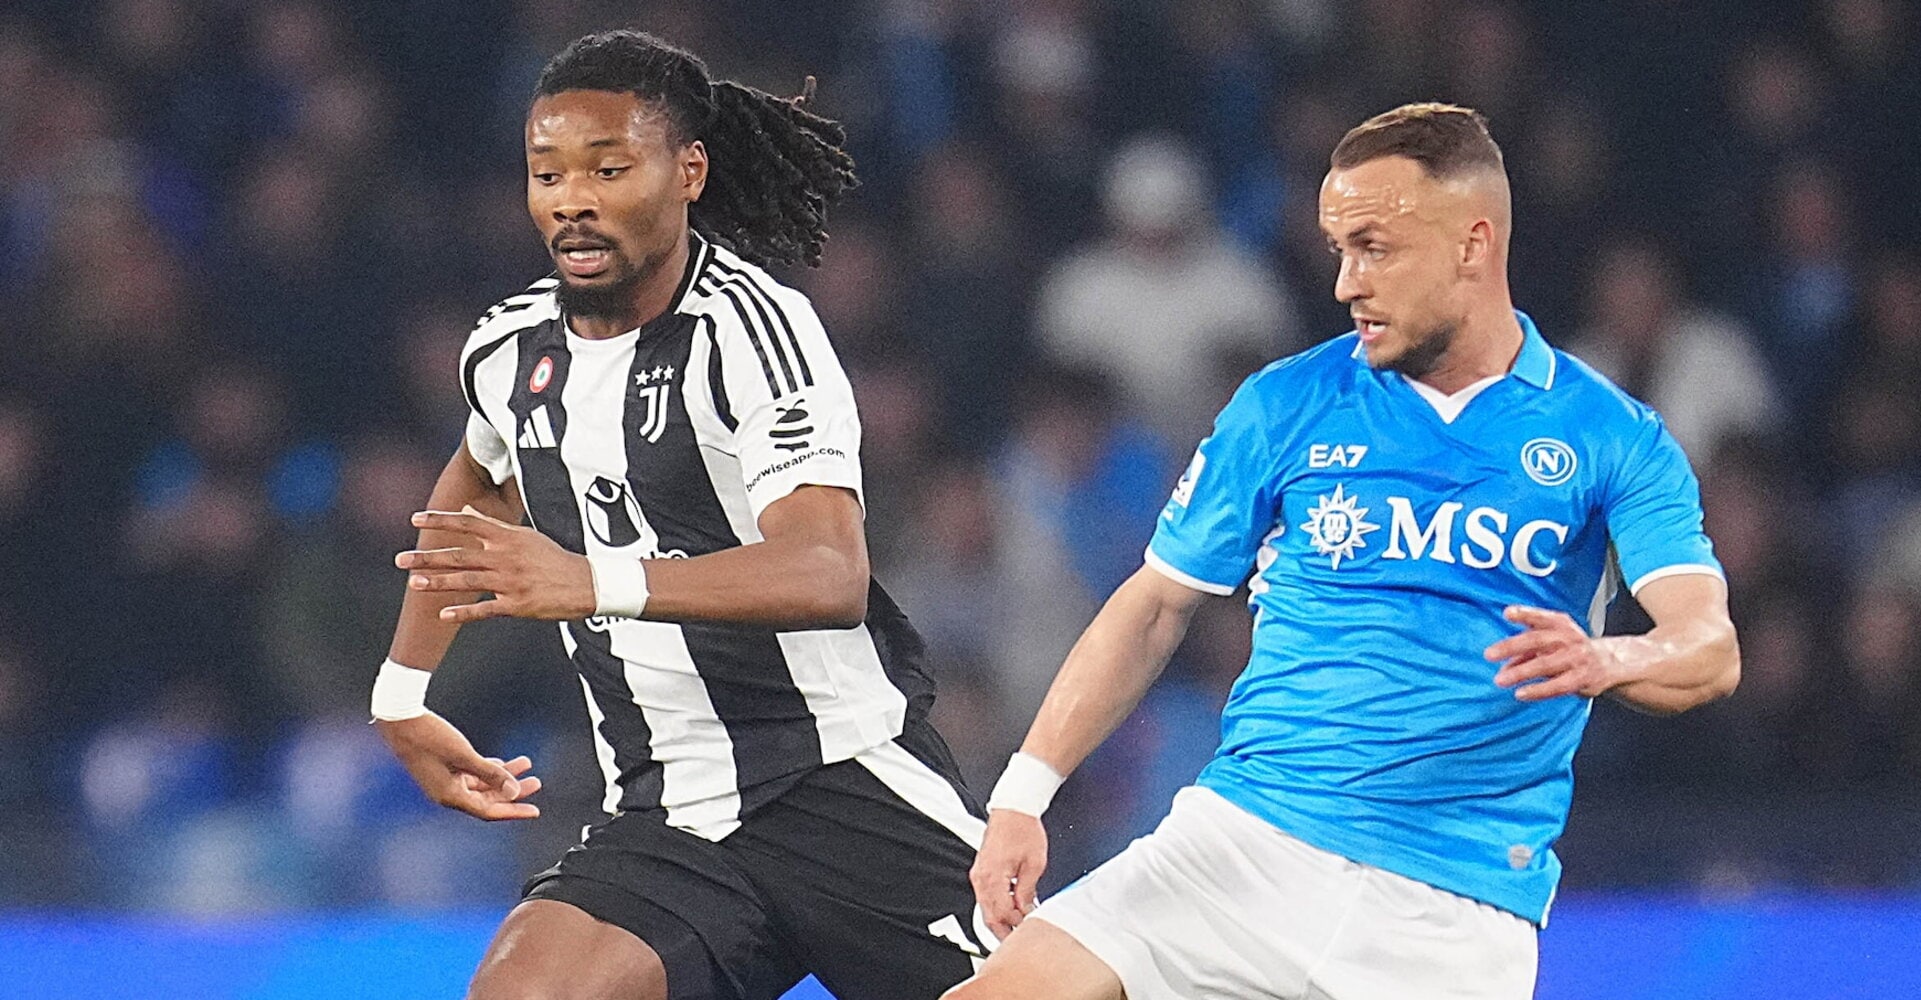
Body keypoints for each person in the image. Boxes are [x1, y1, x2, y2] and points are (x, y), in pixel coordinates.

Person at [947, 103, 1741, 1000]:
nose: (1345, 284)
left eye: (1374, 248)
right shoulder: (1287, 402)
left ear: (1472, 245)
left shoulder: (1613, 438)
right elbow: (1156, 604)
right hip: (1240, 846)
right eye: (1338, 250)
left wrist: (1608, 658)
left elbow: (1709, 648)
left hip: (1451, 911)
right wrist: (1023, 794)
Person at [368, 31, 990, 1000]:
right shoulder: (507, 347)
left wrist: (592, 580)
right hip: (669, 812)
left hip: (844, 783)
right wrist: (402, 694)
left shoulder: (753, 332)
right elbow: (479, 487)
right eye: (547, 173)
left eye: (607, 169)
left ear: (687, 171)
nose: (571, 199)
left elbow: (827, 572)